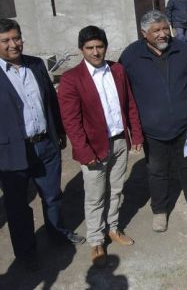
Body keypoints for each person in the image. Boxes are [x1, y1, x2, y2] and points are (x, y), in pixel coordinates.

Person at [0, 18, 84, 270]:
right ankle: (26, 254)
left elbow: (51, 100)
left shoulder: (35, 65)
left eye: (17, 38)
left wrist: (59, 131)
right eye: (6, 41)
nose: (14, 44)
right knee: (17, 206)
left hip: (45, 144)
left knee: (52, 195)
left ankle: (57, 233)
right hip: (11, 152)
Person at [58, 25, 144, 267]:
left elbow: (130, 105)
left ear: (105, 47)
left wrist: (135, 134)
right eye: (90, 48)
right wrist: (84, 152)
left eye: (99, 47)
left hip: (118, 141)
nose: (95, 52)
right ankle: (96, 240)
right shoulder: (71, 79)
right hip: (93, 147)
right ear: (81, 50)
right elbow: (71, 121)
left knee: (116, 189)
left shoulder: (117, 70)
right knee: (95, 196)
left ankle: (113, 228)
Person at [119, 10, 187, 233]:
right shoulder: (131, 56)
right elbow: (123, 92)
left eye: (164, 29)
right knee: (157, 171)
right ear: (143, 33)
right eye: (156, 30)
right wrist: (132, 127)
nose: (162, 34)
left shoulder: (183, 49)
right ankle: (159, 210)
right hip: (153, 129)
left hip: (185, 125)